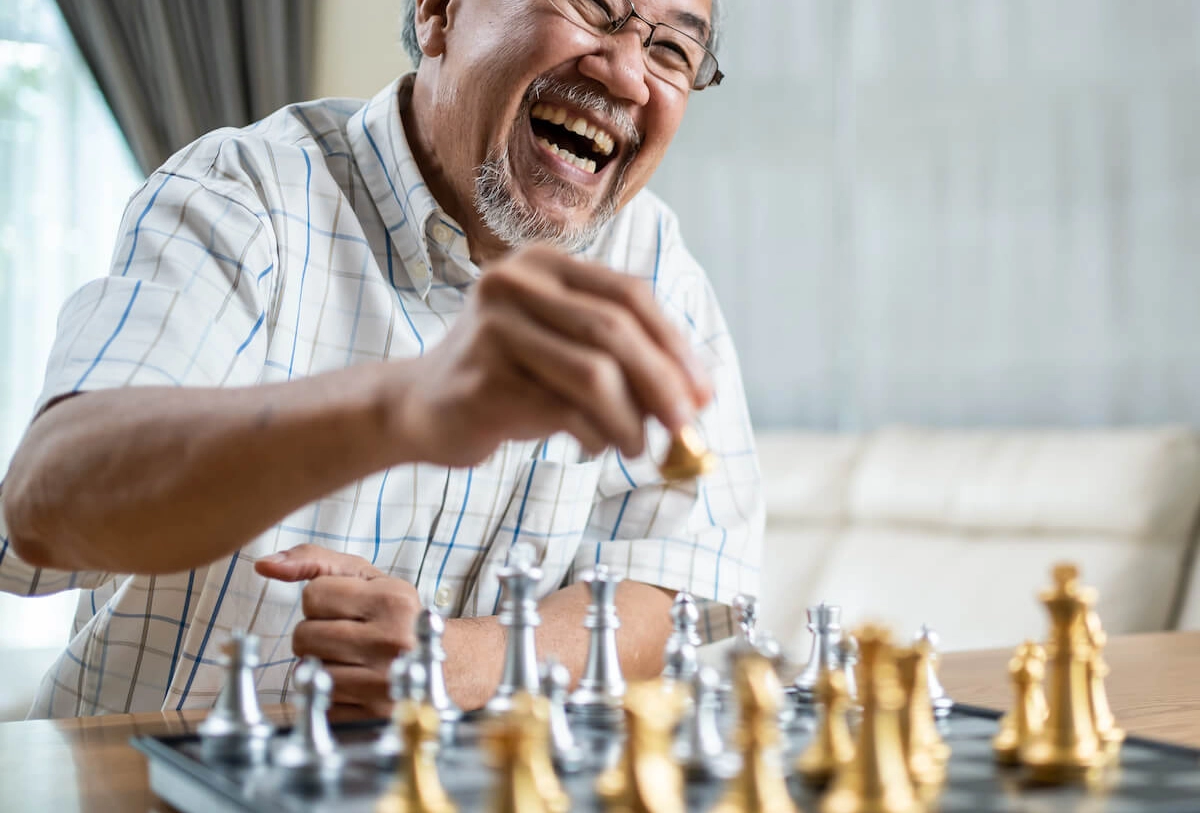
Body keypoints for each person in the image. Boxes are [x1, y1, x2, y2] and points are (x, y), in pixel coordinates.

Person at [0, 0, 762, 719]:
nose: (628, 74)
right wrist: (401, 405)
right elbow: (42, 507)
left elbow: (672, 582)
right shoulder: (242, 193)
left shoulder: (657, 265)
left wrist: (461, 660)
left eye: (671, 48)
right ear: (438, 11)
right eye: (592, 8)